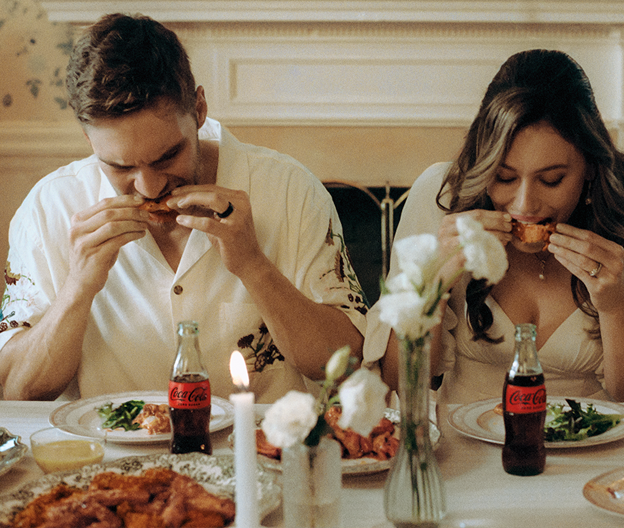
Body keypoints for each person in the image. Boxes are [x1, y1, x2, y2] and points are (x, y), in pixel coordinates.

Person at [0, 13, 367, 403]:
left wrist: (253, 266)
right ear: (88, 138)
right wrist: (78, 288)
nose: (150, 186)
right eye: (121, 167)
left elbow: (348, 366)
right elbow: (14, 391)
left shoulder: (291, 190)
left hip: (261, 458)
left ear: (199, 108)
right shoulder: (48, 208)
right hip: (105, 462)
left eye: (167, 156)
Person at [363, 49, 624, 404]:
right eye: (504, 177)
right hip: (463, 446)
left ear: (590, 166)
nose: (524, 205)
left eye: (552, 180)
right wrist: (432, 288)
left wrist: (614, 306)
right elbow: (398, 387)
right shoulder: (443, 196)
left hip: (597, 446)